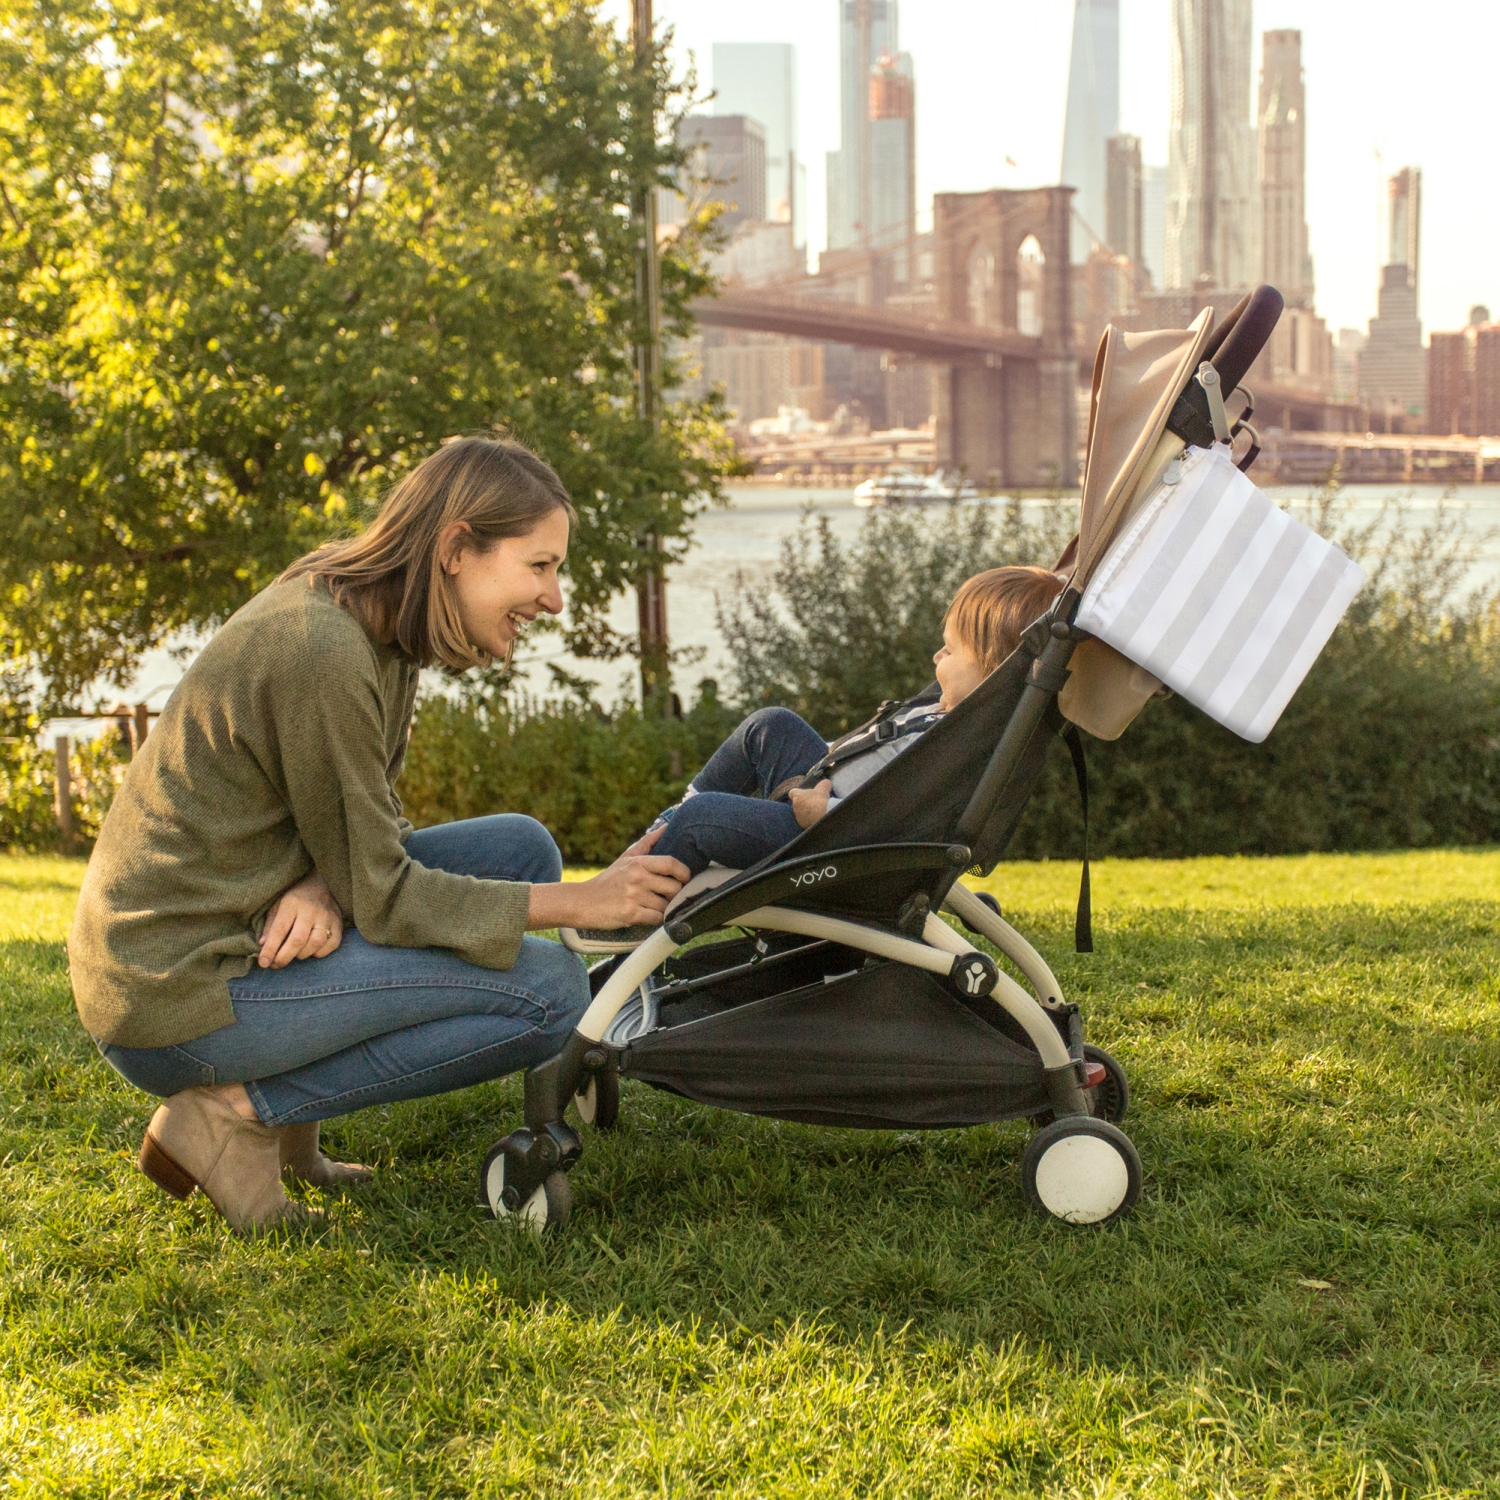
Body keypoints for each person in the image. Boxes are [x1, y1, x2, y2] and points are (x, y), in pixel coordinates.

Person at [69, 436, 691, 1233]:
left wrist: (326, 881)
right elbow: (389, 895)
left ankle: (292, 1140)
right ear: (457, 548)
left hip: (234, 931)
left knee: (520, 847)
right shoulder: (321, 651)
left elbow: (363, 826)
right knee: (550, 992)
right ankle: (235, 1114)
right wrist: (587, 901)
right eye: (540, 566)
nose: (556, 598)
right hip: (173, 995)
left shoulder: (370, 620)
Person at [616, 565, 1066, 889]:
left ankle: (636, 903)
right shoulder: (953, 715)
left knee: (704, 817)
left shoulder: (960, 746)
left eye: (949, 652)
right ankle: (664, 830)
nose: (936, 659)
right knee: (770, 725)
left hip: (832, 843)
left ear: (993, 670)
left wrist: (824, 814)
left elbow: (900, 824)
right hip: (824, 803)